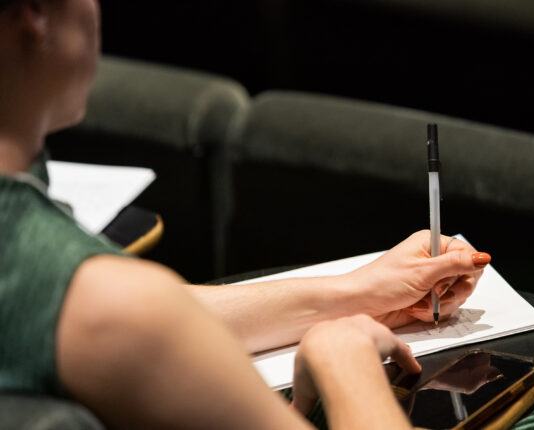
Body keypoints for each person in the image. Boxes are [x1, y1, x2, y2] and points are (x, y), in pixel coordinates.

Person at [0, 0, 491, 428]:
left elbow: (152, 315)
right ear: (35, 17)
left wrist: (354, 294)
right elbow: (130, 317)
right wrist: (345, 362)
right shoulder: (109, 304)